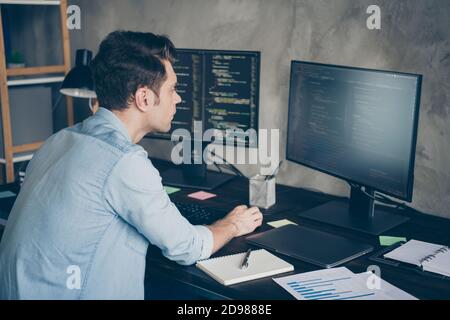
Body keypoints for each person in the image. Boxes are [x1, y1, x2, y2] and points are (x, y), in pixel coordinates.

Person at [0, 31, 263, 300]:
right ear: (144, 98)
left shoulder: (59, 140)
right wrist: (232, 224)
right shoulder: (124, 161)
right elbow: (187, 248)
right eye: (172, 89)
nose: (178, 99)